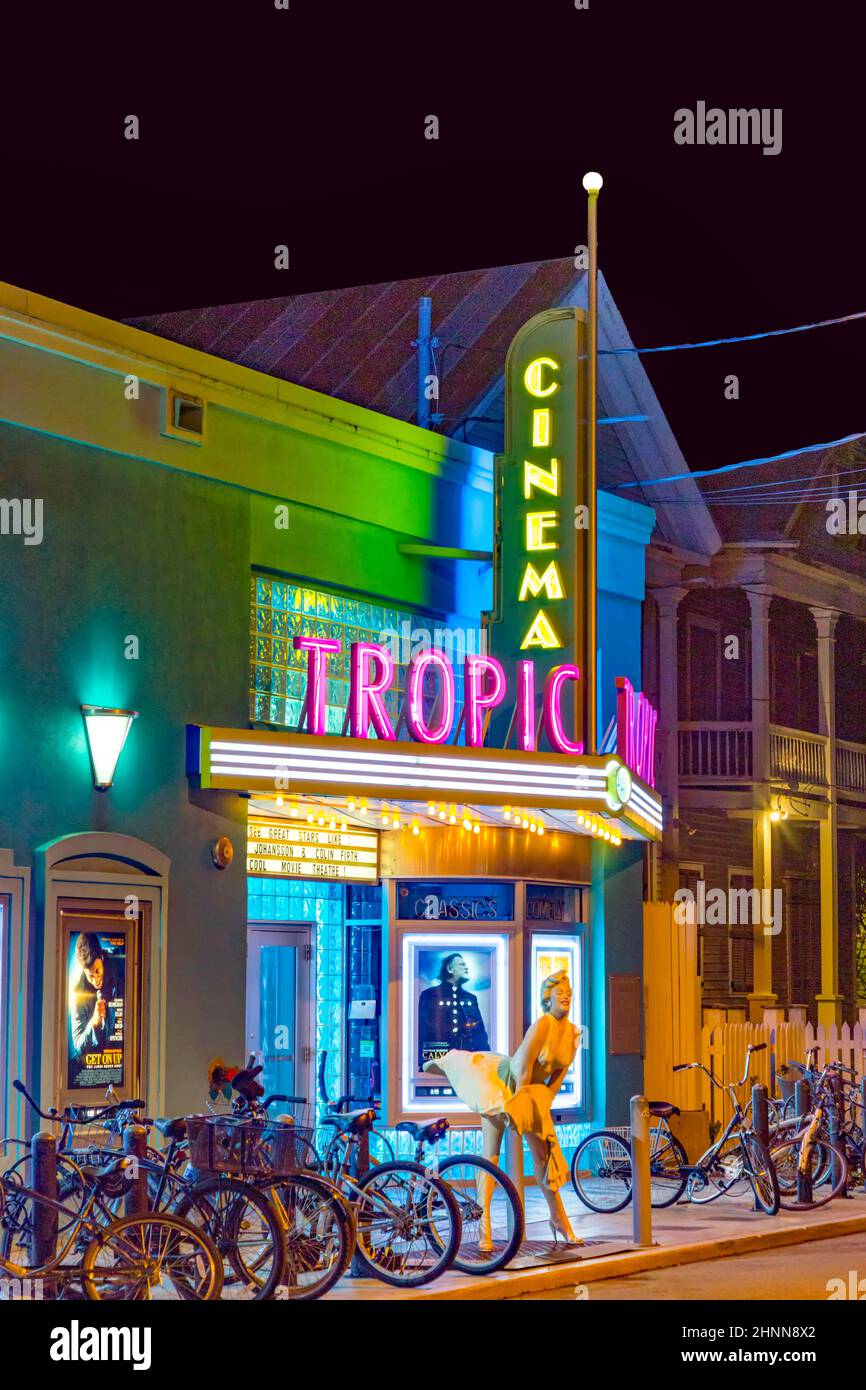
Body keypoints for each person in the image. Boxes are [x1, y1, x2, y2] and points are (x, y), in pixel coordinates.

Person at [423, 971, 581, 1246]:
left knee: (544, 1160)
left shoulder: (572, 1033)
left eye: (568, 992)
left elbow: (556, 1080)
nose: (565, 996)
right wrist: (518, 1107)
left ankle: (560, 1220)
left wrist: (539, 1107)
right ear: (548, 999)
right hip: (502, 1084)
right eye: (559, 992)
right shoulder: (542, 1024)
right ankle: (484, 1227)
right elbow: (521, 1070)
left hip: (531, 1095)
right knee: (491, 1155)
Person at [417, 952, 490, 1070]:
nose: (466, 967)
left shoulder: (471, 998)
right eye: (462, 964)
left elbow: (480, 1034)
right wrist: (423, 1061)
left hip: (469, 1066)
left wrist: (486, 1062)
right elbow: (422, 1031)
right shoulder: (429, 995)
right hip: (438, 1064)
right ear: (450, 968)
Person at [70, 932, 123, 1058]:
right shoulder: (78, 993)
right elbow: (78, 1047)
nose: (95, 980)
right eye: (90, 976)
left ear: (102, 958)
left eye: (97, 971)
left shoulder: (120, 961)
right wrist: (93, 1024)